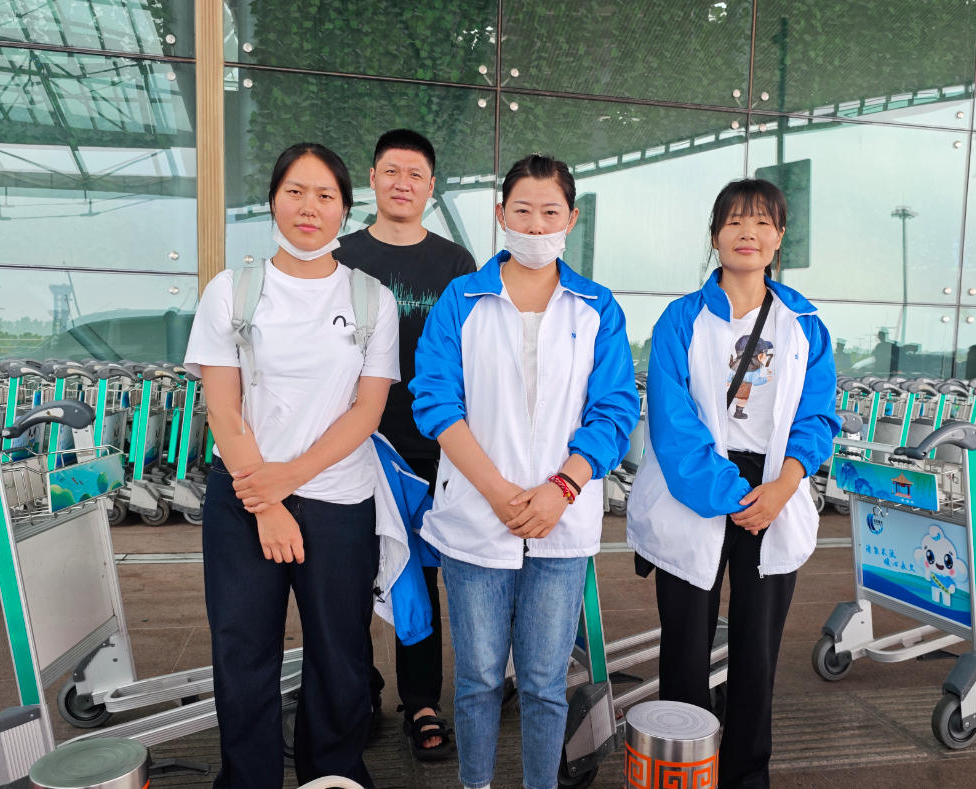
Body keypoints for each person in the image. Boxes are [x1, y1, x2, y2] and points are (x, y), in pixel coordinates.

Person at [410, 154, 639, 789]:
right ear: (500, 214)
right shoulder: (462, 299)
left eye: (550, 213)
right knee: (479, 678)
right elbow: (436, 400)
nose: (536, 227)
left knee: (542, 682)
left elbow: (615, 409)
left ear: (571, 218)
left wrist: (562, 487)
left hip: (561, 521)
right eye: (523, 211)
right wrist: (497, 492)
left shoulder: (596, 307)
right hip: (476, 516)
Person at [183, 142, 400, 788]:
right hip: (244, 499)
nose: (310, 207)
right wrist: (267, 501)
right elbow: (223, 410)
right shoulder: (232, 292)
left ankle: (331, 775)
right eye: (295, 192)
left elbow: (367, 411)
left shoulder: (371, 299)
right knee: (243, 651)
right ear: (273, 200)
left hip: (339, 501)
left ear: (345, 209)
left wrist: (289, 479)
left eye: (325, 195)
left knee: (340, 654)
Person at [627, 178, 840, 789]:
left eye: (762, 222)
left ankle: (748, 775)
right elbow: (672, 421)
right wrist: (733, 495)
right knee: (685, 647)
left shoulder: (804, 323)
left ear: (779, 237)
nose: (748, 233)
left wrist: (783, 486)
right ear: (715, 234)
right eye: (735, 222)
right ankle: (681, 769)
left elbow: (818, 416)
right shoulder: (682, 319)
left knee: (757, 651)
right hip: (696, 488)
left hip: (775, 488)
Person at [337, 128, 476, 760]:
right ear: (372, 179)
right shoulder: (341, 255)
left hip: (428, 448)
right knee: (346, 578)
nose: (402, 183)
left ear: (430, 186)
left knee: (420, 576)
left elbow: (471, 357)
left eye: (415, 174)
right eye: (391, 171)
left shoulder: (454, 264)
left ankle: (421, 701)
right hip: (348, 444)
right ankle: (356, 694)